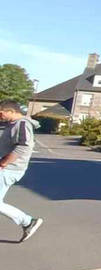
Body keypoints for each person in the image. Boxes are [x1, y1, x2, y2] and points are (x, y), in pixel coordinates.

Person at [0, 100, 42, 242]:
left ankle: (28, 222)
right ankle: (27, 222)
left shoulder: (22, 124)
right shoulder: (12, 125)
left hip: (9, 169)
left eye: (1, 113)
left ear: (11, 111)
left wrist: (4, 162)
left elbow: (24, 147)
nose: (0, 116)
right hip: (6, 167)